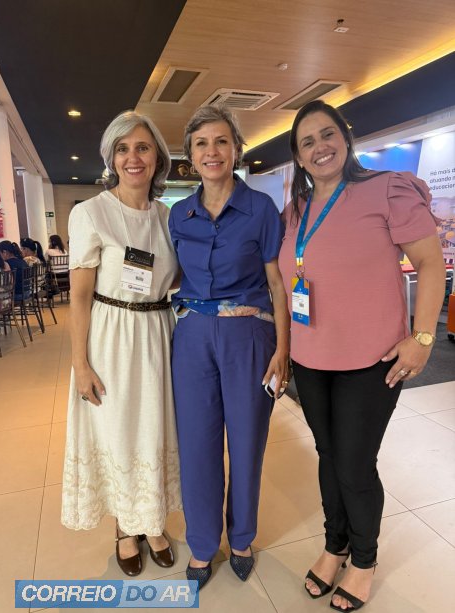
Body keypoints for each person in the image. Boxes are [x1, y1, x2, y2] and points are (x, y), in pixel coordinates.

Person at [278, 99, 446, 611]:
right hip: (311, 360)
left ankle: (364, 560)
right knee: (329, 457)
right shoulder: (295, 210)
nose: (320, 147)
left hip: (371, 362)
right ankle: (335, 545)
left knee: (353, 464)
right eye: (307, 142)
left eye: (327, 134)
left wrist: (422, 338)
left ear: (345, 139)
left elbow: (430, 263)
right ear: (298, 156)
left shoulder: (386, 189)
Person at [169, 105, 290, 590]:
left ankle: (241, 538)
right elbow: (170, 275)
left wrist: (282, 349)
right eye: (201, 143)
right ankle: (202, 544)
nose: (212, 151)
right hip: (193, 336)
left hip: (249, 336)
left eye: (221, 141)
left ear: (237, 149)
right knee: (197, 444)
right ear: (190, 155)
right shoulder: (179, 214)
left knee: (246, 441)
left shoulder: (261, 209)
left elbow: (277, 285)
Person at [61, 110, 182, 576]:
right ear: (111, 158)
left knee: (154, 429)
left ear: (158, 158)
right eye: (123, 149)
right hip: (111, 338)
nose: (133, 157)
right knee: (118, 431)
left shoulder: (168, 217)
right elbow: (79, 295)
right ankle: (125, 529)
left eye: (143, 147)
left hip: (158, 334)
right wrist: (80, 363)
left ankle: (153, 522)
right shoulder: (91, 213)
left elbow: (176, 279)